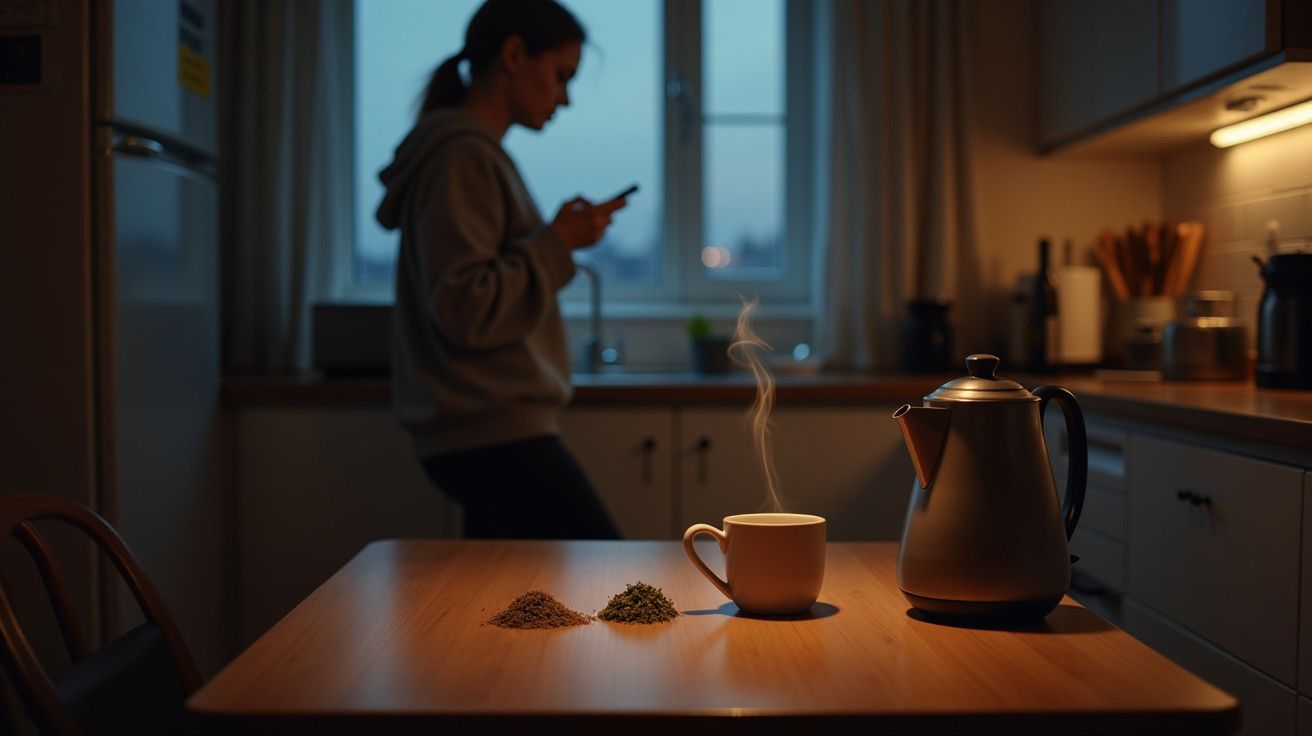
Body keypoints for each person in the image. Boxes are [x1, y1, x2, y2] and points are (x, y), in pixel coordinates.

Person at [375, 0, 626, 540]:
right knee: (608, 570)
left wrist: (556, 238)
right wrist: (558, 242)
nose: (565, 98)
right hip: (494, 434)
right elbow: (465, 308)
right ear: (514, 55)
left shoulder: (470, 154)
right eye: (561, 76)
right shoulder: (463, 157)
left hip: (484, 434)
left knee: (516, 590)